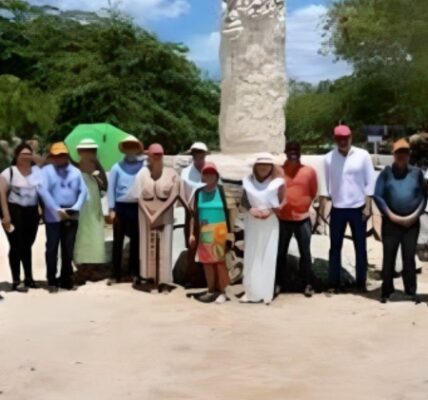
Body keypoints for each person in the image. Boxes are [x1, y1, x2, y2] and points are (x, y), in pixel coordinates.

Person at [374, 139, 427, 304]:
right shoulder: (386, 173)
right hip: (391, 222)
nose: (402, 155)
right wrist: (391, 215)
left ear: (409, 154)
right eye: (398, 152)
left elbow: (424, 197)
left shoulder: (417, 173)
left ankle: (411, 291)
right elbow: (378, 196)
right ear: (393, 154)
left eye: (405, 152)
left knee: (409, 257)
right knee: (388, 257)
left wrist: (413, 216)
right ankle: (387, 291)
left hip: (412, 223)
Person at [323, 125, 375, 293]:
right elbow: (325, 186)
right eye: (339, 139)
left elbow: (370, 183)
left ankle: (361, 282)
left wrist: (368, 207)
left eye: (345, 138)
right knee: (334, 248)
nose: (343, 141)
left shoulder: (363, 156)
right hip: (338, 209)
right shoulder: (328, 158)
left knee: (360, 247)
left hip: (358, 208)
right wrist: (323, 211)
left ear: (351, 137)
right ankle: (333, 283)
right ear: (335, 140)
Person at [38, 142, 88, 292]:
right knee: (52, 247)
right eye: (56, 155)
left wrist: (76, 207)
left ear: (67, 156)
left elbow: (83, 192)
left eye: (62, 155)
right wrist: (55, 209)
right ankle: (51, 279)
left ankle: (66, 278)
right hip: (53, 215)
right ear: (52, 157)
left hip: (72, 213)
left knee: (68, 248)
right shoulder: (46, 171)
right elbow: (43, 191)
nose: (59, 158)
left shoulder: (76, 172)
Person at [134, 143, 180, 292]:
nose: (157, 157)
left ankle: (164, 281)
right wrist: (149, 215)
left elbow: (174, 195)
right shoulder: (142, 173)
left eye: (159, 154)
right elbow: (138, 196)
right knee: (147, 245)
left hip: (164, 213)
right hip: (145, 213)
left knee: (165, 245)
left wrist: (159, 212)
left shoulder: (171, 173)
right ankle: (150, 279)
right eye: (154, 154)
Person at [240, 153, 285, 305]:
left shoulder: (278, 182)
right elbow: (244, 200)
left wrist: (270, 211)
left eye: (267, 164)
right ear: (255, 166)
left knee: (268, 254)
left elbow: (283, 201)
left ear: (272, 166)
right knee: (252, 254)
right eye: (260, 164)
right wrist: (251, 210)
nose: (264, 167)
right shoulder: (247, 181)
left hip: (269, 221)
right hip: (252, 221)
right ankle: (251, 292)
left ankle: (266, 292)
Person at [276, 141, 318, 297]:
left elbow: (313, 192)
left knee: (305, 253)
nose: (293, 153)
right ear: (286, 152)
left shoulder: (309, 171)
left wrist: (302, 205)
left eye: (296, 150)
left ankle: (306, 283)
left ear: (300, 152)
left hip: (302, 219)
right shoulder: (278, 170)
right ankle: (278, 283)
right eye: (290, 150)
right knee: (280, 253)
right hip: (283, 218)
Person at [1, 144, 42, 291]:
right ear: (16, 156)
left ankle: (29, 278)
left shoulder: (36, 172)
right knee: (16, 244)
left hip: (32, 211)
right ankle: (16, 279)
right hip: (14, 210)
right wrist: (6, 215)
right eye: (23, 155)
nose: (26, 158)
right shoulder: (9, 172)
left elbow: (41, 190)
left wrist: (40, 207)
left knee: (28, 244)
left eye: (28, 155)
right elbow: (2, 195)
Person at [189, 162, 232, 304]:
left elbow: (230, 213)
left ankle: (223, 291)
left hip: (220, 232)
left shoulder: (223, 191)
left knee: (220, 263)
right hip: (204, 232)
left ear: (216, 175)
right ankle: (211, 290)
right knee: (207, 262)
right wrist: (192, 234)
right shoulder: (198, 193)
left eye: (211, 173)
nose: (209, 176)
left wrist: (231, 233)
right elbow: (193, 215)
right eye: (206, 173)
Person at [107, 136, 144, 285]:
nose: (130, 150)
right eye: (127, 146)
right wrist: (111, 208)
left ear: (137, 149)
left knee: (136, 241)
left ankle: (134, 273)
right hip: (120, 206)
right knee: (118, 241)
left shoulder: (143, 167)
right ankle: (116, 274)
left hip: (137, 207)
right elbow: (111, 188)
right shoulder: (117, 167)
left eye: (133, 146)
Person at [74, 139, 108, 267]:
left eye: (92, 150)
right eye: (86, 150)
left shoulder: (98, 167)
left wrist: (95, 175)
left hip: (94, 204)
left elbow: (105, 186)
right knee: (81, 232)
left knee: (95, 231)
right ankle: (80, 262)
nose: (89, 153)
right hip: (80, 204)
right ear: (79, 152)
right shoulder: (75, 166)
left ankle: (94, 263)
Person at [180, 142, 209, 286]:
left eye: (201, 152)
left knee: (207, 244)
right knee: (191, 245)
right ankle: (190, 277)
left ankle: (206, 277)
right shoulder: (185, 172)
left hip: (207, 212)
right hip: (190, 212)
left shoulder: (211, 170)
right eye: (195, 152)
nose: (198, 155)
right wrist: (187, 207)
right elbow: (182, 192)